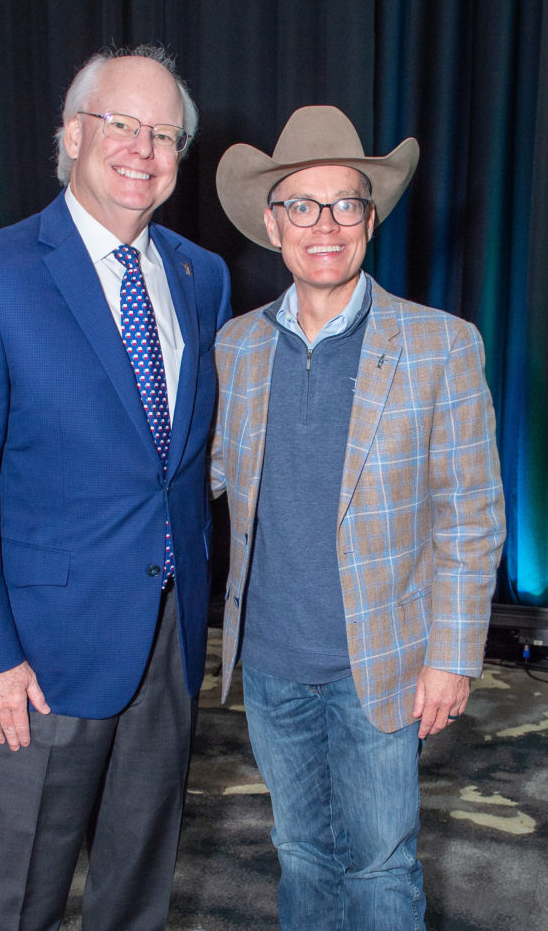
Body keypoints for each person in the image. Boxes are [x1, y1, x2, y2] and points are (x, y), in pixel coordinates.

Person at [0, 44, 231, 931]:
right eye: (120, 124)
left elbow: (176, 459)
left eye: (164, 133)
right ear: (71, 133)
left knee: (138, 886)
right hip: (39, 656)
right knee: (17, 893)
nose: (143, 148)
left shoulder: (197, 276)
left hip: (167, 637)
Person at [209, 105, 505, 929]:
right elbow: (197, 474)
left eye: (345, 203)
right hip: (269, 665)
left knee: (379, 868)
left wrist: (452, 656)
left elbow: (471, 516)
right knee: (301, 855)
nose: (325, 225)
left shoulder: (441, 344)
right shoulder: (233, 348)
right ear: (273, 224)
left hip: (382, 665)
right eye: (302, 205)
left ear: (370, 218)